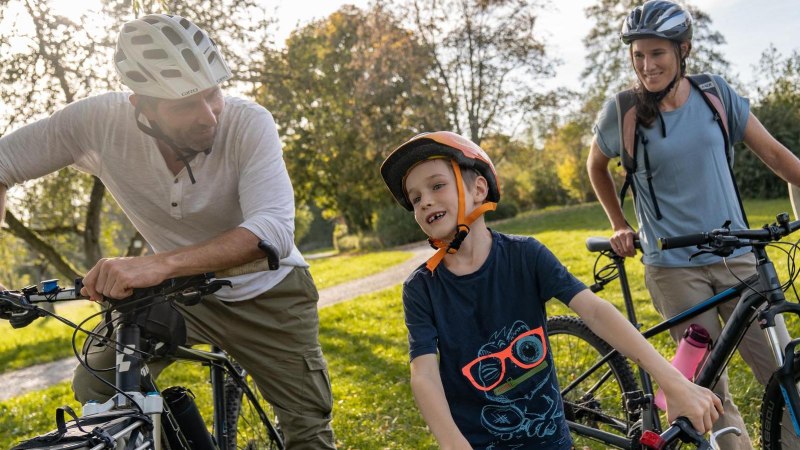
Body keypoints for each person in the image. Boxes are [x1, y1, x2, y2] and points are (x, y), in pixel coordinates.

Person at [0, 14, 335, 449]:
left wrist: (157, 264)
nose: (208, 116)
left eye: (213, 94)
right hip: (175, 296)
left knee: (308, 432)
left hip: (268, 294)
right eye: (184, 105)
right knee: (99, 389)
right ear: (141, 105)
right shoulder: (97, 122)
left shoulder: (250, 123)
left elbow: (271, 231)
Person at [379, 130, 722, 449]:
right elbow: (423, 374)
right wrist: (453, 444)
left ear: (479, 189)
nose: (424, 202)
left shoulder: (526, 256)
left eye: (437, 186)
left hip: (551, 440)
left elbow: (595, 311)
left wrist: (672, 379)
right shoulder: (421, 289)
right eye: (415, 197)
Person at [586, 1, 800, 448]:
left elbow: (779, 158)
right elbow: (596, 166)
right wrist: (619, 223)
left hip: (741, 258)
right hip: (674, 269)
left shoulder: (715, 95)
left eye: (657, 54)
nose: (646, 66)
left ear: (683, 50)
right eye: (638, 55)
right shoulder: (622, 112)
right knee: (708, 391)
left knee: (784, 376)